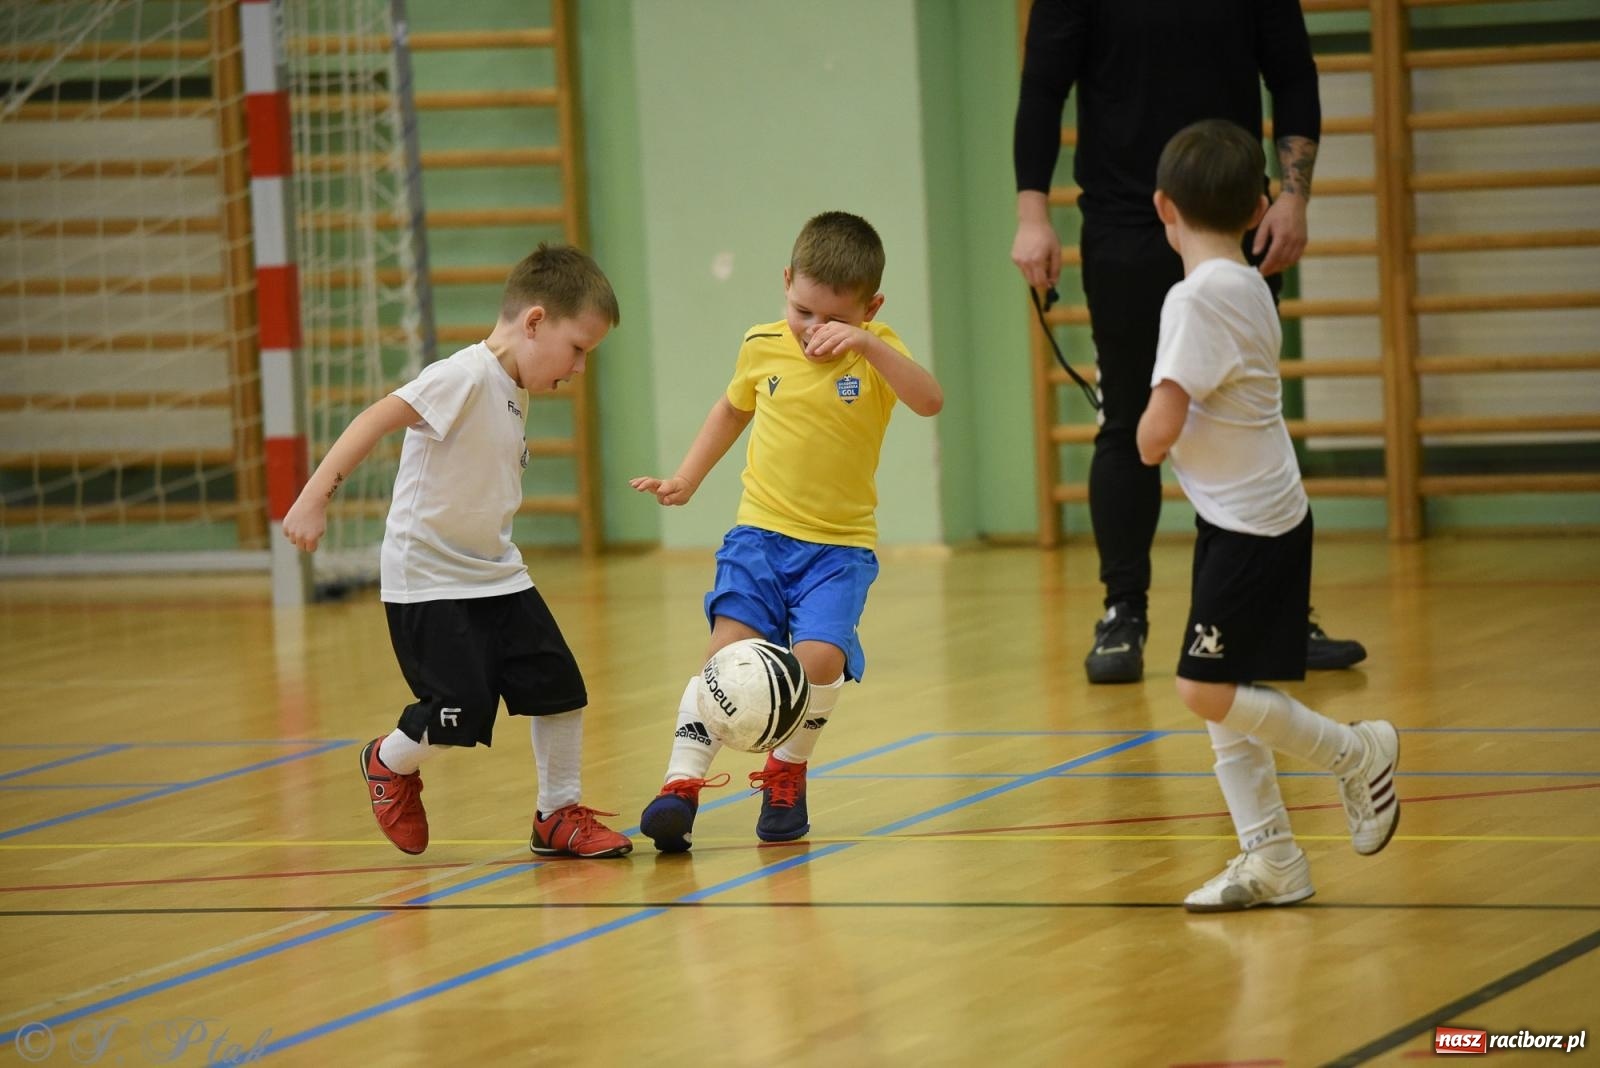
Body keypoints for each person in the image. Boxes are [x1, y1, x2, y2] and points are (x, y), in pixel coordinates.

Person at [1011, 0, 1367, 684]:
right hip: (1125, 221)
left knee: (1248, 414)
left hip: (1237, 219)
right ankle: (1123, 612)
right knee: (1126, 422)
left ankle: (1276, 614)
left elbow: (1294, 73)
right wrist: (1033, 214)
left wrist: (1294, 197)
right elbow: (1043, 87)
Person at [282, 243, 632, 860]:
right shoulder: (462, 376)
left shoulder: (515, 387)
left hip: (497, 574)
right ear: (534, 322)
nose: (580, 367)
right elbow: (374, 419)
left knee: (560, 689)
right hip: (430, 581)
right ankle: (389, 760)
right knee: (458, 713)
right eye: (578, 349)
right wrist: (315, 497)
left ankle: (556, 815)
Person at [1137, 120, 1398, 910]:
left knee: (1201, 689)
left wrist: (1134, 424)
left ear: (1163, 207)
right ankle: (1272, 856)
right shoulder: (1250, 285)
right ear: (1258, 209)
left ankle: (1354, 752)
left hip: (1250, 528)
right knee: (1226, 686)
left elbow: (1156, 434)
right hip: (1249, 517)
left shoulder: (1194, 299)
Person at [630, 211, 943, 853]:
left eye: (834, 318)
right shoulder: (761, 345)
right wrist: (687, 477)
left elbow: (929, 400)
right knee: (725, 656)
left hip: (839, 549)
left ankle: (787, 772)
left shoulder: (877, 352)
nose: (813, 329)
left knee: (820, 660)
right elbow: (731, 409)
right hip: (760, 537)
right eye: (802, 311)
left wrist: (868, 345)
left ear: (871, 309)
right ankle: (680, 785)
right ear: (786, 284)